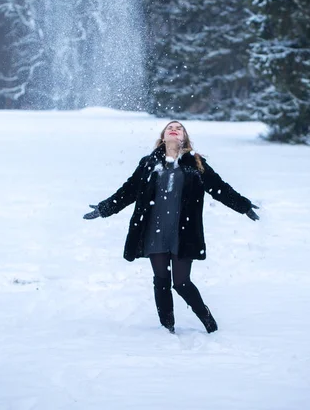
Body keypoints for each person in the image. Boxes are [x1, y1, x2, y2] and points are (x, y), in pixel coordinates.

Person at [83, 120, 259, 334]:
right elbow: (129, 191)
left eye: (179, 128)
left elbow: (219, 188)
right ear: (163, 136)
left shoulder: (196, 163)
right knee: (161, 279)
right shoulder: (148, 163)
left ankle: (208, 320)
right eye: (170, 128)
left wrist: (244, 206)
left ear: (184, 137)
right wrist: (104, 208)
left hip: (183, 233)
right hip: (154, 231)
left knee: (182, 282)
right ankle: (167, 327)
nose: (174, 129)